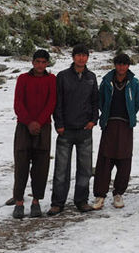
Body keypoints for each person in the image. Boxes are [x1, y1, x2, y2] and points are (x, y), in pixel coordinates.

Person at [47, 43, 99, 216]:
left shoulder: (91, 77)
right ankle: (57, 202)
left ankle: (81, 200)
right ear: (73, 57)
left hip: (85, 130)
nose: (81, 58)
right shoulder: (62, 76)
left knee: (85, 168)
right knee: (61, 169)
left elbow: (95, 101)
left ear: (87, 58)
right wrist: (59, 123)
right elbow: (58, 102)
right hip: (66, 130)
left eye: (84, 55)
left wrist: (93, 120)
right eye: (78, 55)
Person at [10, 49, 57, 219]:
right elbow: (18, 103)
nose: (40, 65)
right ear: (32, 62)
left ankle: (36, 201)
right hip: (24, 127)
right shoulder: (23, 79)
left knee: (41, 166)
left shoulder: (52, 79)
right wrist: (29, 122)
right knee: (21, 164)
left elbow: (52, 102)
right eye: (37, 62)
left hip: (43, 127)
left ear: (47, 64)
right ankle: (19, 202)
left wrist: (39, 121)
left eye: (44, 62)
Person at [93, 52, 139, 210]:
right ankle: (100, 194)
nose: (121, 67)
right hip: (110, 123)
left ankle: (118, 193)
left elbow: (137, 103)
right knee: (105, 160)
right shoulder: (107, 81)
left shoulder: (134, 83)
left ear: (128, 66)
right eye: (119, 64)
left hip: (126, 125)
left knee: (124, 159)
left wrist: (131, 116)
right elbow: (101, 100)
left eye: (124, 64)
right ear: (115, 65)